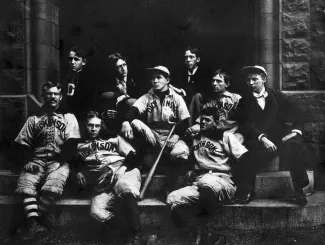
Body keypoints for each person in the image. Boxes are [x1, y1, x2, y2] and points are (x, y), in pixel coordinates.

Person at [167, 107, 248, 245]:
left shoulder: (225, 136)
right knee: (172, 199)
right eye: (201, 119)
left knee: (207, 182)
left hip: (222, 180)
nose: (203, 122)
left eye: (207, 120)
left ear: (216, 122)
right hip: (200, 182)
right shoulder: (195, 138)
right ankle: (204, 233)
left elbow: (245, 157)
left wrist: (243, 187)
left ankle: (203, 231)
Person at [14, 82, 80, 240]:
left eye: (56, 94)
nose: (52, 97)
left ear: (60, 96)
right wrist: (27, 161)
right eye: (49, 94)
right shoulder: (34, 119)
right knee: (25, 184)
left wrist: (60, 161)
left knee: (54, 186)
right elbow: (22, 144)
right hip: (36, 160)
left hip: (58, 160)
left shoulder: (68, 117)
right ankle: (36, 224)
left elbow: (72, 144)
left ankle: (31, 222)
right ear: (43, 96)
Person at [236, 65, 310, 205]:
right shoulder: (244, 102)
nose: (251, 83)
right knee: (246, 152)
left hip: (279, 139)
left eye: (254, 79)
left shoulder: (277, 96)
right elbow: (246, 125)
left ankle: (299, 190)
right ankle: (246, 190)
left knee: (293, 146)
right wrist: (262, 138)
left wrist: (294, 132)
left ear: (263, 79)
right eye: (248, 80)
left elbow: (299, 111)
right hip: (257, 141)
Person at [73, 111, 142, 242]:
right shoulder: (79, 145)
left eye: (97, 126)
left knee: (124, 186)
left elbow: (133, 155)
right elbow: (71, 161)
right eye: (90, 125)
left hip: (123, 173)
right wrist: (77, 171)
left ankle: (136, 234)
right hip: (102, 184)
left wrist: (123, 168)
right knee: (96, 213)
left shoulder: (113, 138)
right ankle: (125, 237)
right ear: (85, 126)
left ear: (101, 126)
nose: (93, 129)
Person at [121, 65, 190, 194]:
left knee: (181, 153)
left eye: (159, 77)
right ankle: (146, 158)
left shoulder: (177, 98)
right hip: (152, 134)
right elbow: (133, 111)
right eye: (153, 78)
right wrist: (125, 121)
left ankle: (169, 185)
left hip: (171, 135)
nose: (155, 81)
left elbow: (185, 121)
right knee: (135, 122)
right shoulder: (147, 96)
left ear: (167, 80)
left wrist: (175, 137)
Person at [98, 53, 141, 130]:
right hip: (114, 120)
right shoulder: (108, 82)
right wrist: (105, 113)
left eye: (124, 65)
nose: (123, 69)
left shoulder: (135, 80)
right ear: (113, 69)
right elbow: (102, 98)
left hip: (133, 116)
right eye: (119, 67)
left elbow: (139, 102)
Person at [66, 46, 98, 121]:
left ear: (84, 62)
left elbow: (91, 102)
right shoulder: (67, 78)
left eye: (76, 59)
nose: (72, 62)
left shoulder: (90, 79)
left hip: (83, 117)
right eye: (70, 59)